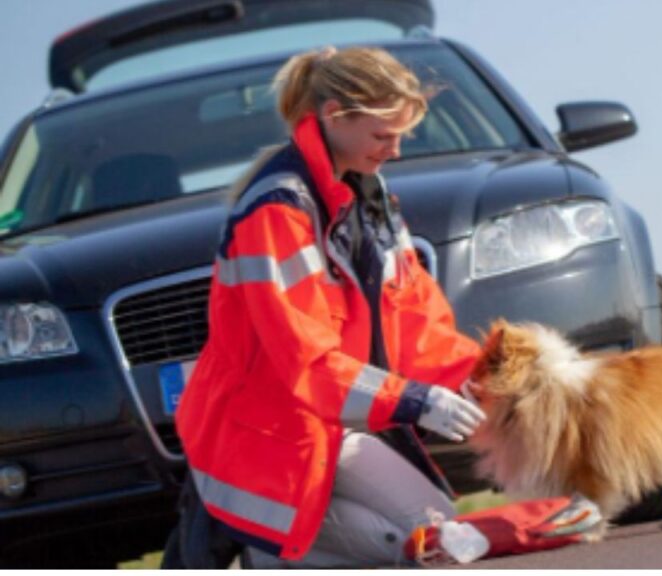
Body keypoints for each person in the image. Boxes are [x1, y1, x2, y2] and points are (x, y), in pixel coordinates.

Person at [171, 45, 486, 568]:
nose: (396, 151)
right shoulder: (277, 209)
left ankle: (283, 549)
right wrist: (414, 402)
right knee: (429, 544)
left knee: (443, 532)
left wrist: (473, 379)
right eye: (383, 136)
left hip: (334, 424)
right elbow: (306, 363)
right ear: (335, 116)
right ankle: (266, 554)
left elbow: (416, 321)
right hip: (272, 433)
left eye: (402, 135)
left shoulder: (369, 196)